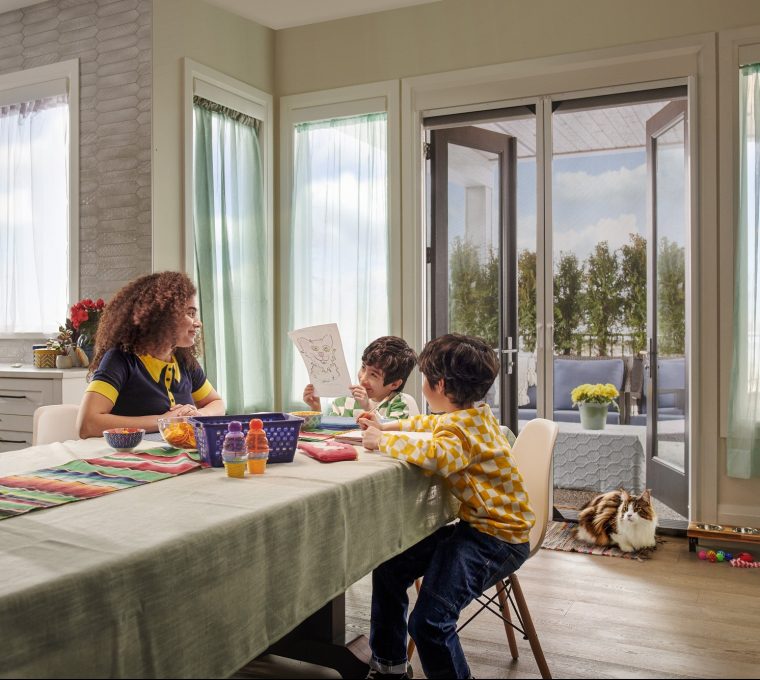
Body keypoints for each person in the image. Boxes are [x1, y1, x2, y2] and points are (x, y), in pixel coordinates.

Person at [359, 334, 534, 680]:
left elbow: (441, 456)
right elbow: (428, 424)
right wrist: (386, 425)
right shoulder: (471, 414)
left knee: (429, 623)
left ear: (437, 384)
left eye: (424, 377)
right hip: (480, 528)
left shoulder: (461, 431)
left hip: (497, 540)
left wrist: (383, 440)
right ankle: (389, 667)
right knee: (390, 568)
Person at [77, 272, 225, 438]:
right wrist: (163, 421)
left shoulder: (183, 360)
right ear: (164, 317)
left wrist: (197, 416)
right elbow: (87, 424)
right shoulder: (120, 359)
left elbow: (216, 403)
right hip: (128, 459)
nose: (197, 323)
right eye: (190, 313)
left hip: (172, 458)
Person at [302, 335, 420, 420]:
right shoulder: (343, 402)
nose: (363, 379)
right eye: (363, 367)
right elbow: (329, 435)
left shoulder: (401, 402)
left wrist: (367, 407)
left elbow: (392, 435)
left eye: (373, 374)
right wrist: (316, 409)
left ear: (394, 384)